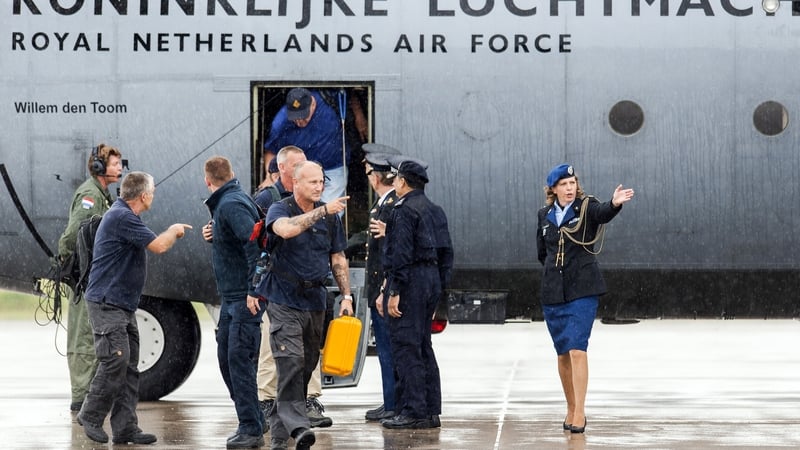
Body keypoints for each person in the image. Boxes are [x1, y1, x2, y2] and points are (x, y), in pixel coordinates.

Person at [77, 172, 191, 445]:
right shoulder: (122, 217)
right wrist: (174, 230)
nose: (154, 195)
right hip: (107, 304)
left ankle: (125, 427)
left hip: (123, 305)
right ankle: (90, 414)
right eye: (152, 191)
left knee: (129, 367)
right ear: (144, 196)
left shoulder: (125, 216)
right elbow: (160, 246)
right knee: (115, 360)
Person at [255, 161, 353, 450]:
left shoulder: (332, 218)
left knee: (306, 366)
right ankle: (299, 427)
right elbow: (284, 231)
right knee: (291, 362)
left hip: (315, 301)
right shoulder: (281, 208)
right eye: (312, 182)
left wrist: (346, 296)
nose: (319, 187)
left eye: (321, 182)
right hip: (284, 298)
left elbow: (337, 258)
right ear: (295, 183)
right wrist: (322, 210)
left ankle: (277, 437)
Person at [535, 163, 635, 434]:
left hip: (583, 290)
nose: (569, 189)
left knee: (578, 349)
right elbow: (542, 254)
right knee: (562, 354)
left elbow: (603, 213)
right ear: (553, 189)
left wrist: (614, 204)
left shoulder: (586, 208)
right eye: (564, 185)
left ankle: (580, 411)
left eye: (572, 183)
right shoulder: (544, 215)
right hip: (554, 293)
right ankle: (570, 406)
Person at [378, 156, 453, 430]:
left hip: (409, 280)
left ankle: (413, 410)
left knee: (406, 346)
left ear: (403, 182)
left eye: (396, 178)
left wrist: (394, 289)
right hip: (430, 280)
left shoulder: (402, 211)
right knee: (423, 345)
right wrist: (438, 289)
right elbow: (447, 253)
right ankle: (430, 410)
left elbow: (400, 254)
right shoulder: (435, 210)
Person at [202, 156, 267, 449]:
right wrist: (216, 235)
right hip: (232, 297)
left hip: (243, 297)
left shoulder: (231, 204)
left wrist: (254, 290)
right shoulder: (227, 204)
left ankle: (251, 428)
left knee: (239, 362)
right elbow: (239, 241)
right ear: (232, 174)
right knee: (228, 360)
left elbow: (256, 246)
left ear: (207, 181)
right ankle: (253, 419)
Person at [57, 143, 124, 412]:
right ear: (98, 167)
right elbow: (74, 235)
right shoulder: (90, 195)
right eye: (115, 163)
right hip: (86, 278)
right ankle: (81, 396)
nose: (120, 167)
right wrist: (65, 259)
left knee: (93, 334)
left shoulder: (102, 194)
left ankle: (89, 396)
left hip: (95, 277)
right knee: (84, 336)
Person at [263, 87, 366, 204]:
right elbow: (271, 150)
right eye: (295, 117)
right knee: (302, 210)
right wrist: (269, 177)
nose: (299, 121)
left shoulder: (328, 96)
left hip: (333, 167)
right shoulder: (280, 122)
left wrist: (359, 116)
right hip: (303, 172)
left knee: (330, 211)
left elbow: (350, 93)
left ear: (313, 104)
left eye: (303, 116)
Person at [360, 144, 400, 422]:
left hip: (382, 288)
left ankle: (393, 404)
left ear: (376, 176)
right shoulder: (385, 203)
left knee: (389, 350)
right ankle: (390, 400)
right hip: (380, 287)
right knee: (387, 349)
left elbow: (387, 252)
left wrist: (385, 289)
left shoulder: (388, 205)